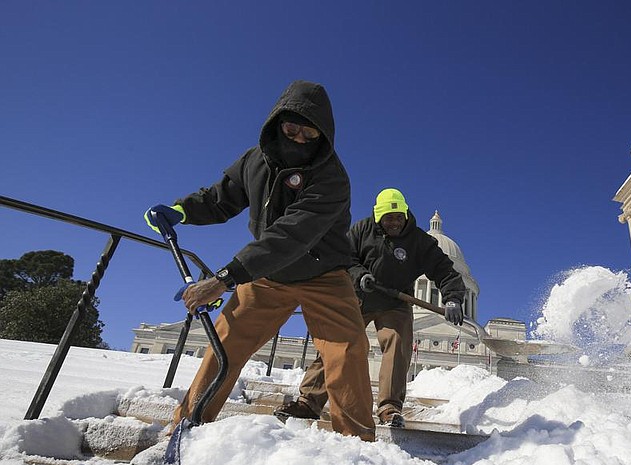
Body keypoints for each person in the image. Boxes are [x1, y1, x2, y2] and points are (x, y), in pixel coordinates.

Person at [144, 80, 375, 442]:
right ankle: (186, 426)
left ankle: (358, 444)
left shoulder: (332, 178)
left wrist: (223, 278)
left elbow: (291, 235)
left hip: (324, 274)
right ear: (277, 123)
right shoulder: (255, 160)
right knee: (227, 342)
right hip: (268, 275)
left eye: (309, 131)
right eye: (291, 128)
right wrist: (180, 211)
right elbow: (221, 198)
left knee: (347, 350)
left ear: (323, 133)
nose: (299, 138)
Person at [276, 188, 465, 427]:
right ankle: (309, 402)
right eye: (389, 218)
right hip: (359, 297)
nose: (395, 222)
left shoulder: (419, 241)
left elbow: (444, 270)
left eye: (399, 217)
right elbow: (344, 256)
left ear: (405, 215)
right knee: (337, 344)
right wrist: (359, 275)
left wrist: (452, 298)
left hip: (396, 302)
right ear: (378, 217)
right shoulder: (361, 230)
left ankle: (389, 408)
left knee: (398, 344)